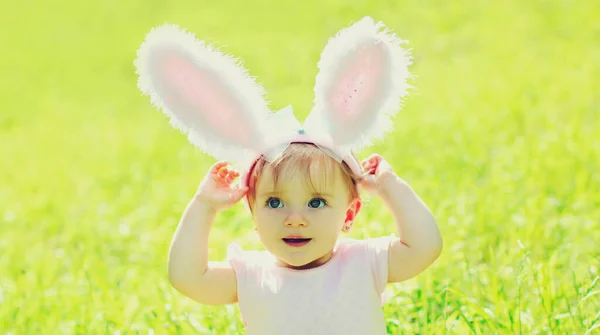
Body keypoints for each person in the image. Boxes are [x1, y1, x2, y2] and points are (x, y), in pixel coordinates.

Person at [135, 16, 443, 335]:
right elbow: (187, 277)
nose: (294, 219)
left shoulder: (364, 264)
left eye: (316, 202)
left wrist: (390, 187)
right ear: (253, 212)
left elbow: (425, 246)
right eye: (274, 203)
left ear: (349, 213)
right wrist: (204, 205)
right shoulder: (251, 276)